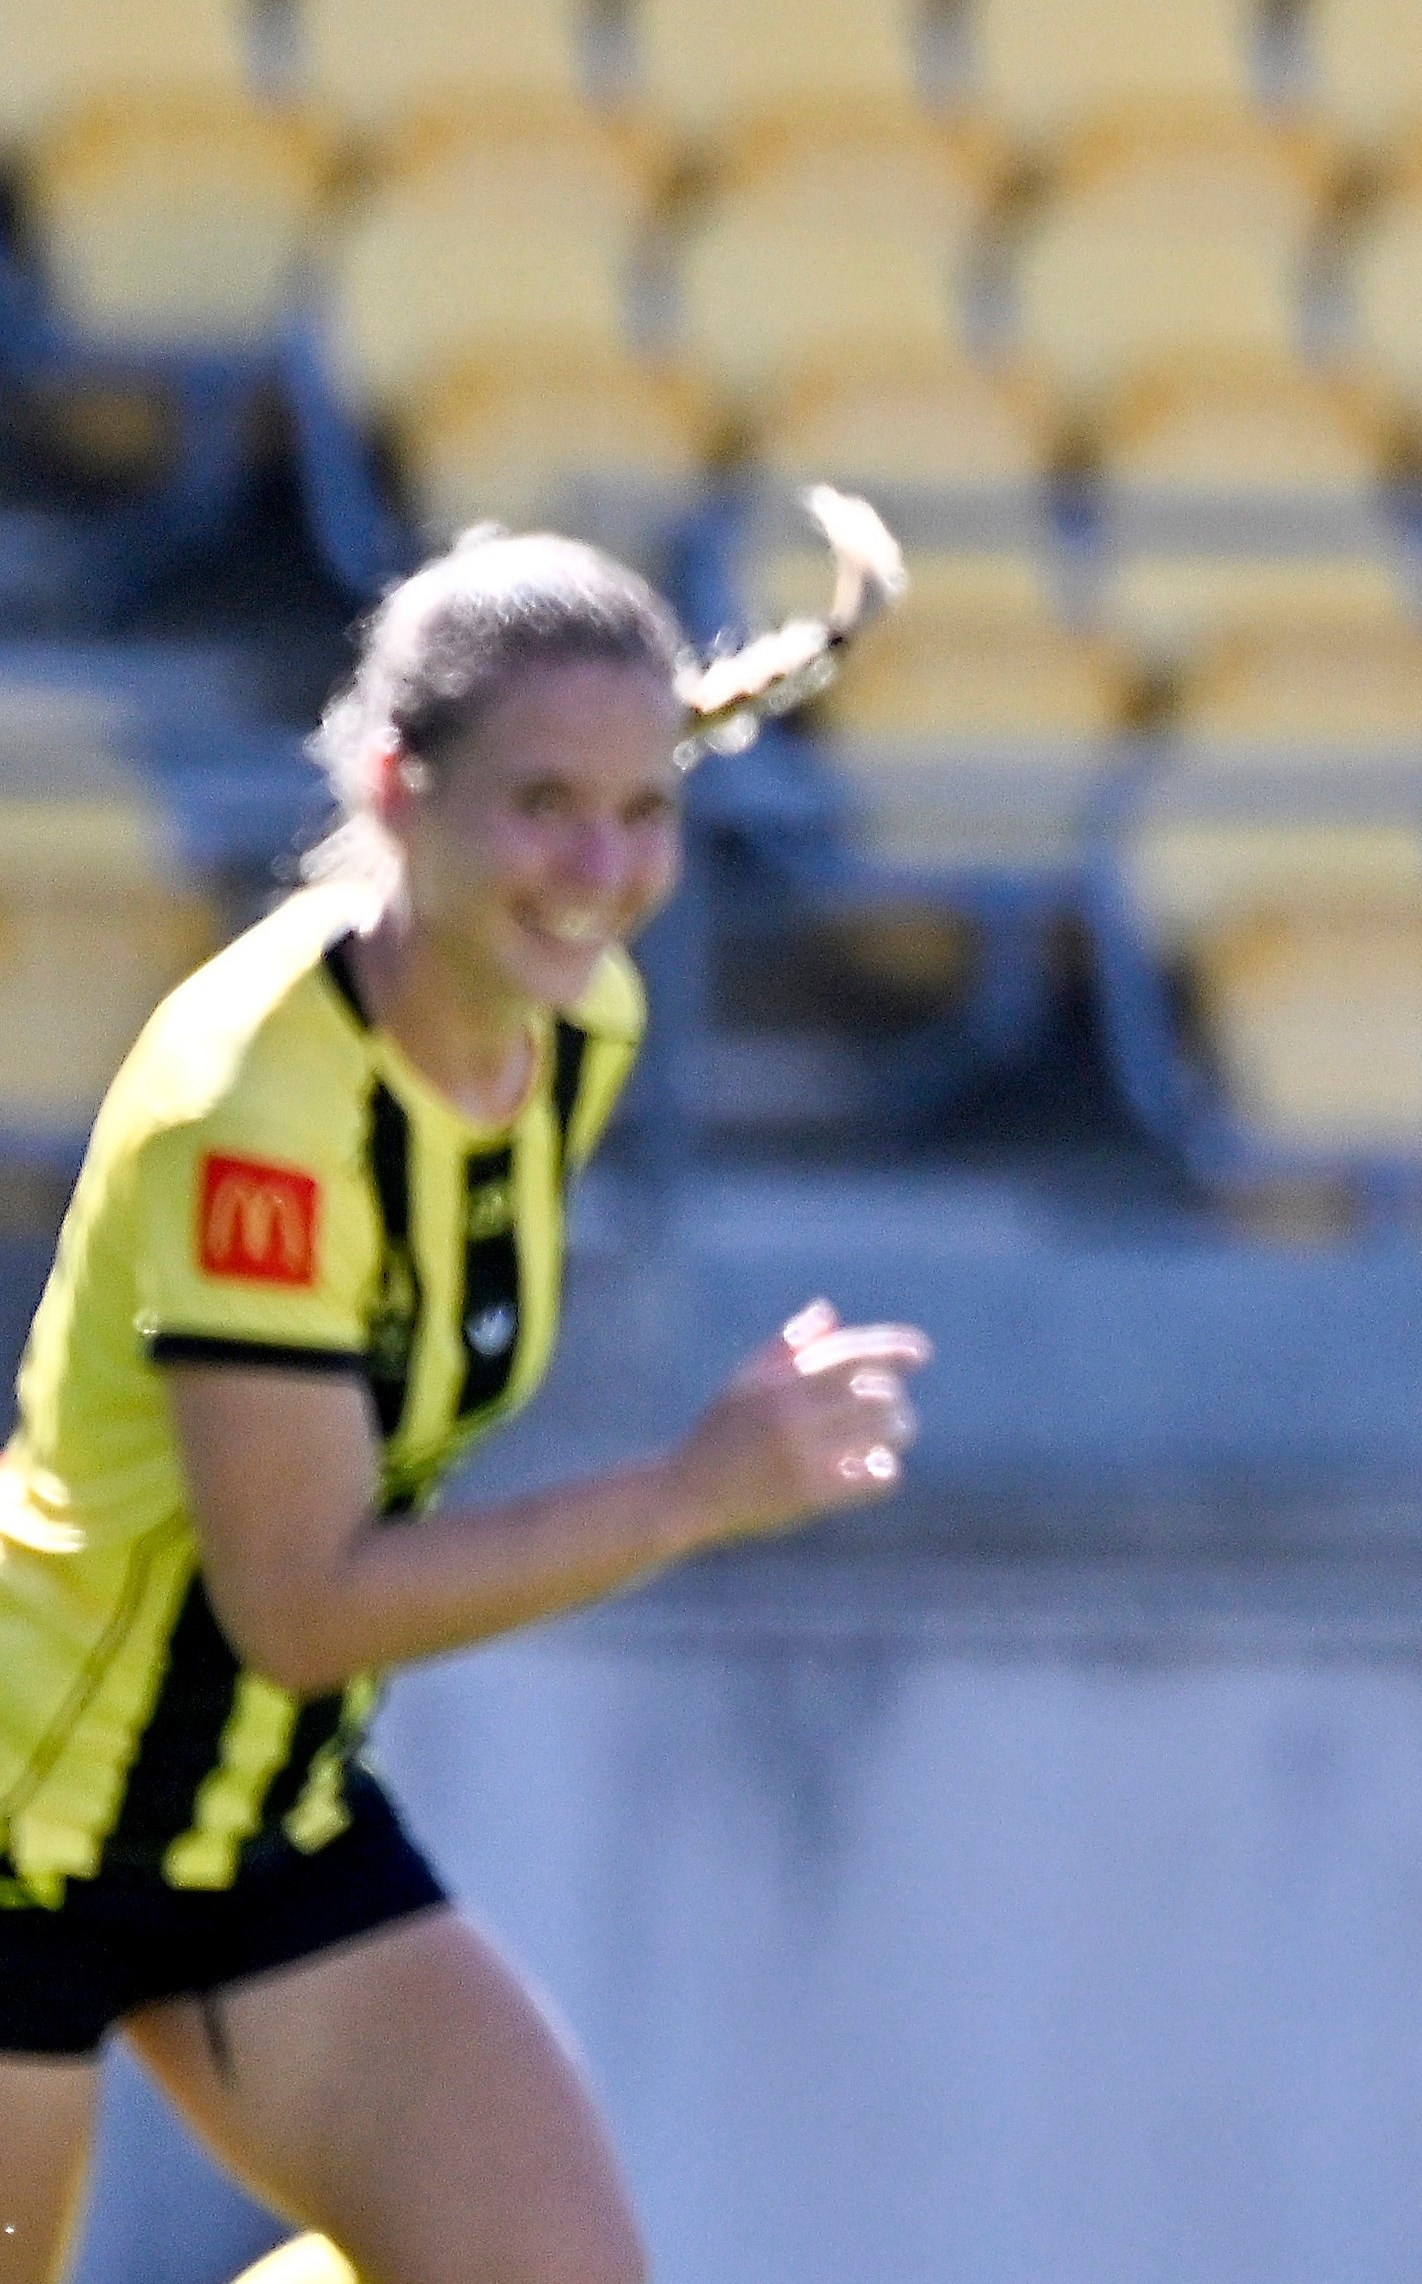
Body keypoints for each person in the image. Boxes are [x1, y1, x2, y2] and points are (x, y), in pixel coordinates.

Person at [0, 508, 929, 2284]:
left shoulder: (582, 1031)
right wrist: (690, 1493)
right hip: (20, 1816)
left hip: (258, 1818)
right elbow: (298, 1603)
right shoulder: (254, 1113)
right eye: (544, 803)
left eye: (645, 809)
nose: (601, 863)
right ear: (394, 784)